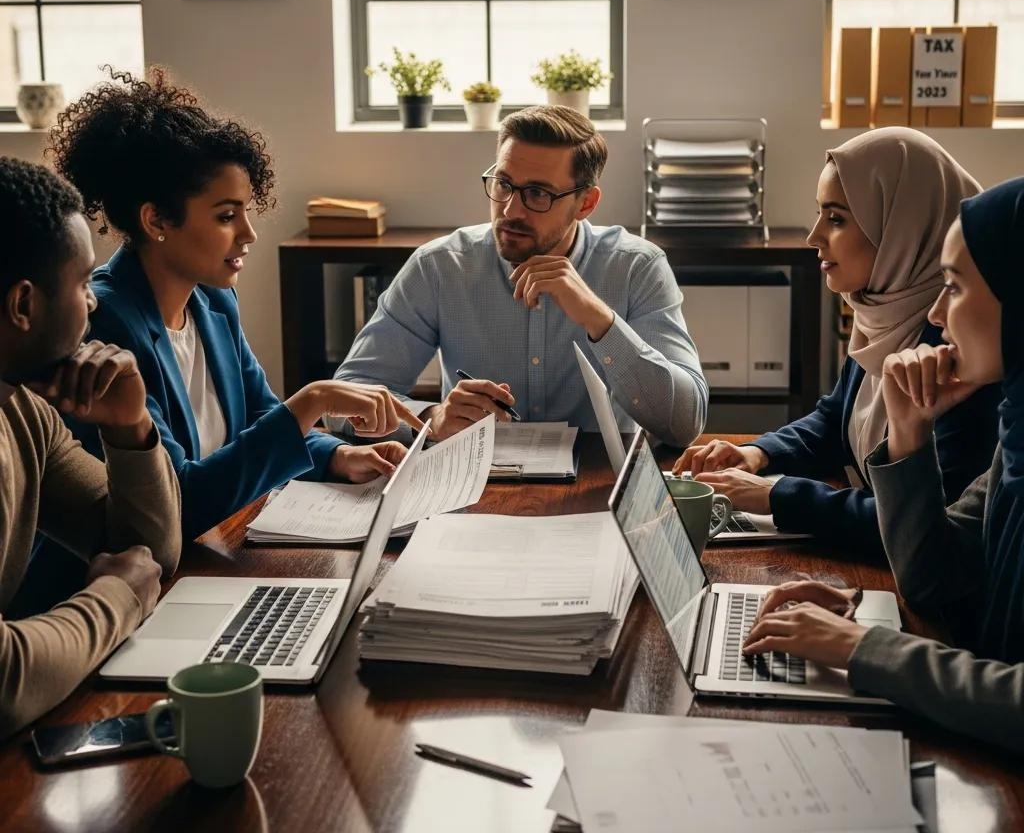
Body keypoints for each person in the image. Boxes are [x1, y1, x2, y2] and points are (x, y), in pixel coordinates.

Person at [46, 68, 420, 543]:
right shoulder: (106, 323)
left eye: (246, 210)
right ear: (156, 219)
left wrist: (337, 457)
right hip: (128, 578)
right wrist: (313, 400)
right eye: (226, 216)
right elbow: (176, 504)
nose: (249, 233)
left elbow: (260, 419)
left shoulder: (213, 301)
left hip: (210, 552)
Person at [741, 176, 1024, 751]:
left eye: (956, 287)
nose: (938, 314)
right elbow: (934, 579)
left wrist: (860, 647)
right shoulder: (1015, 435)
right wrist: (908, 433)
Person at [673, 128, 1000, 551]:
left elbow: (921, 526)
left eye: (837, 219)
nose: (814, 237)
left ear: (899, 226)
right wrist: (758, 454)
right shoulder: (881, 312)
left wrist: (776, 495)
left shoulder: (964, 349)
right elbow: (835, 420)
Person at [332, 105, 708, 447]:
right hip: (471, 490)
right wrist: (431, 419)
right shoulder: (441, 267)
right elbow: (339, 403)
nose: (511, 209)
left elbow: (683, 424)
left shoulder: (636, 268)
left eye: (538, 194)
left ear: (586, 203)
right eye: (504, 184)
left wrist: (601, 320)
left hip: (599, 489)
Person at [0, 157, 180, 738]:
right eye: (83, 283)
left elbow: (152, 553)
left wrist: (129, 427)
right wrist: (116, 599)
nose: (94, 303)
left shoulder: (24, 409)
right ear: (24, 305)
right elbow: (4, 682)